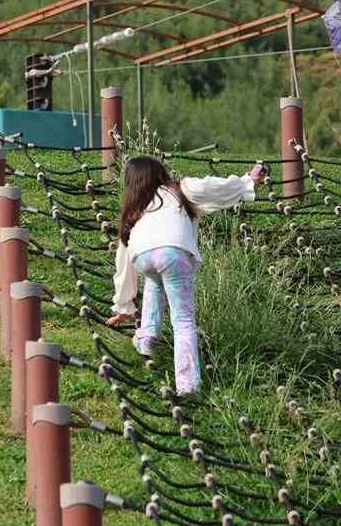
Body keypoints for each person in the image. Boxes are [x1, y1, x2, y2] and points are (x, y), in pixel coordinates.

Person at [105, 155, 263, 397]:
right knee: (183, 321)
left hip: (143, 257)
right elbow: (212, 186)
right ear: (161, 173)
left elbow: (123, 262)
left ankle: (147, 337)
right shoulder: (180, 189)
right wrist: (246, 182)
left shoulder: (134, 210)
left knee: (155, 281)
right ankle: (188, 383)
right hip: (174, 253)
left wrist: (123, 305)